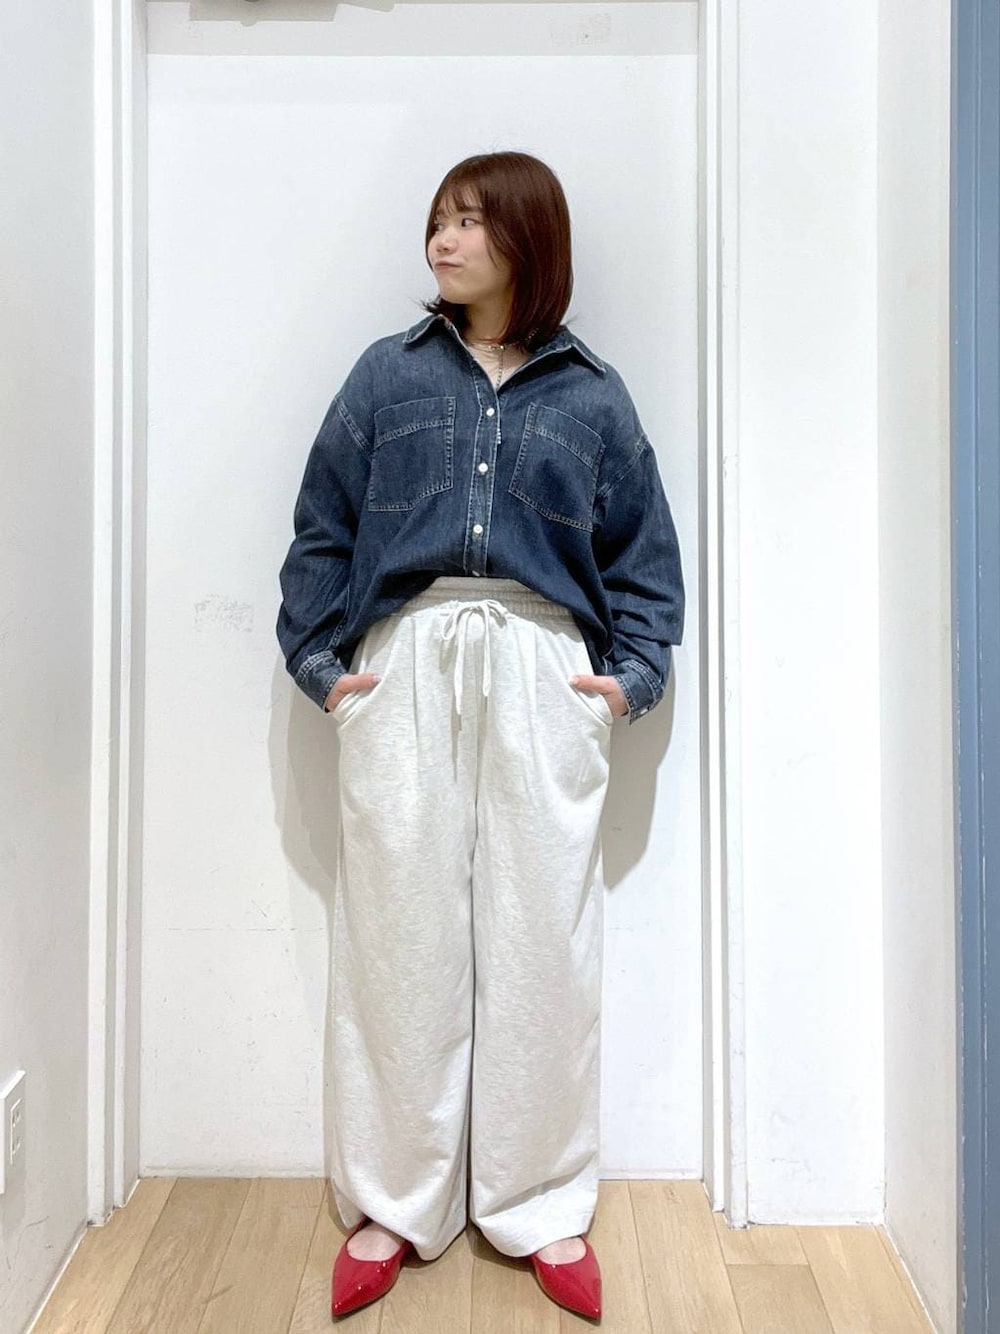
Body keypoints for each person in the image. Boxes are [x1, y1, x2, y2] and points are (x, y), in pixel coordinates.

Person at [276, 150, 685, 1321]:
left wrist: (624, 682)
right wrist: (325, 669)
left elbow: (643, 559)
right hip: (404, 658)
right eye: (438, 221)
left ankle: (541, 1202)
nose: (443, 241)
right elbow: (321, 530)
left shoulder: (593, 397)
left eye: (468, 221)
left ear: (526, 238)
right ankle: (393, 1202)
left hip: (542, 662)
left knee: (541, 936)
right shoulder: (386, 375)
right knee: (397, 934)